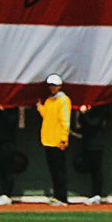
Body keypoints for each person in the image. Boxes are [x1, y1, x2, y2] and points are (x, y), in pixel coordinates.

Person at [38, 74, 71, 205]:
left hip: (57, 140)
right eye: (51, 85)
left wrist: (64, 139)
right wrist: (40, 107)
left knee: (59, 170)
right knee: (54, 170)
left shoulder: (63, 100)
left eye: (55, 85)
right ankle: (57, 195)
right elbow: (47, 116)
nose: (52, 88)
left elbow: (65, 120)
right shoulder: (49, 100)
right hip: (48, 139)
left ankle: (62, 197)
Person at [76, 102, 110, 202]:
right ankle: (94, 193)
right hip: (87, 143)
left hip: (96, 145)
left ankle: (97, 194)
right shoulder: (90, 111)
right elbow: (81, 122)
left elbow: (93, 123)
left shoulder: (101, 110)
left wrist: (84, 113)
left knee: (97, 170)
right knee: (91, 169)